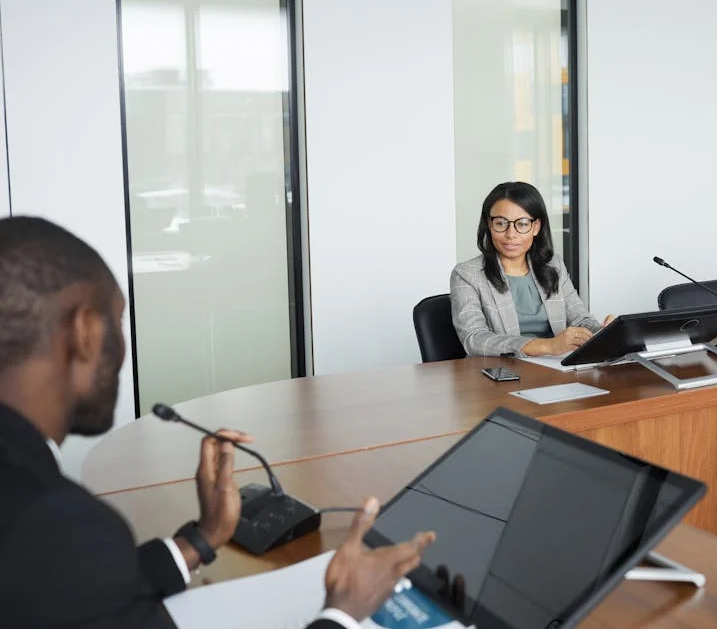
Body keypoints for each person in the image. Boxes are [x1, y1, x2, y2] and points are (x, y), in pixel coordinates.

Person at [0, 216, 435, 629]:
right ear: (84, 331)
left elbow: (59, 598)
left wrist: (201, 540)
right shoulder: (55, 523)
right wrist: (342, 613)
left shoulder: (31, 511)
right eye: (117, 322)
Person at [451, 181, 611, 357]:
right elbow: (474, 339)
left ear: (536, 227)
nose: (511, 234)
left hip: (556, 367)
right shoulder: (467, 274)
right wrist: (548, 346)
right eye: (500, 223)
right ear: (489, 225)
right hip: (502, 373)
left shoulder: (554, 266)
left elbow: (580, 320)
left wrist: (605, 332)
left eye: (522, 224)